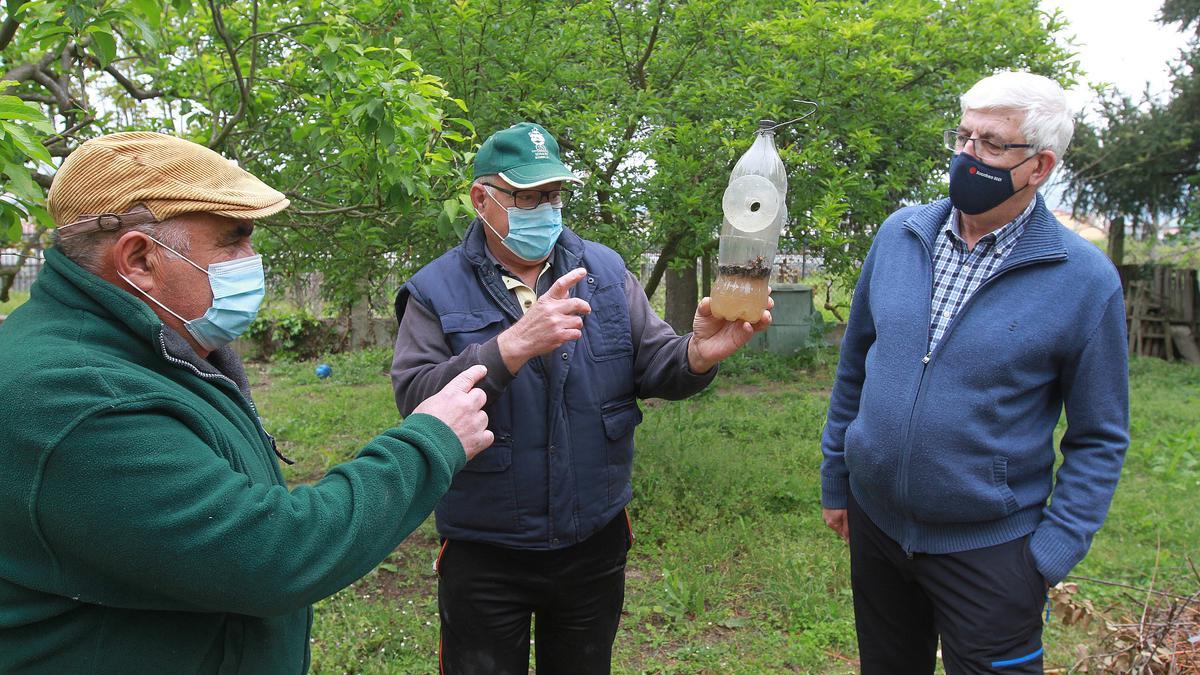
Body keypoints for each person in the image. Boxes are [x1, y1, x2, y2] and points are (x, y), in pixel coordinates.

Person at [0, 132, 493, 673]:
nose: (251, 261)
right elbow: (272, 553)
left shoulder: (146, 348)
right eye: (232, 241)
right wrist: (432, 440)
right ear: (140, 259)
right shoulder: (75, 398)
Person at [391, 122, 770, 673]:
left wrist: (698, 354)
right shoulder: (434, 289)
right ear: (481, 199)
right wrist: (511, 346)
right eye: (527, 196)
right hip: (486, 548)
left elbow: (655, 362)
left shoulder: (605, 271)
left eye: (554, 195)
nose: (545, 208)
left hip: (592, 540)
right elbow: (415, 399)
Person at [819, 71, 1130, 674]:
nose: (968, 156)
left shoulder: (1084, 281)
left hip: (991, 551)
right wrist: (839, 479)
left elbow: (1099, 436)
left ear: (1039, 166)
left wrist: (1048, 555)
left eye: (991, 144)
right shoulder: (900, 235)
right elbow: (855, 366)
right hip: (877, 527)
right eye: (963, 136)